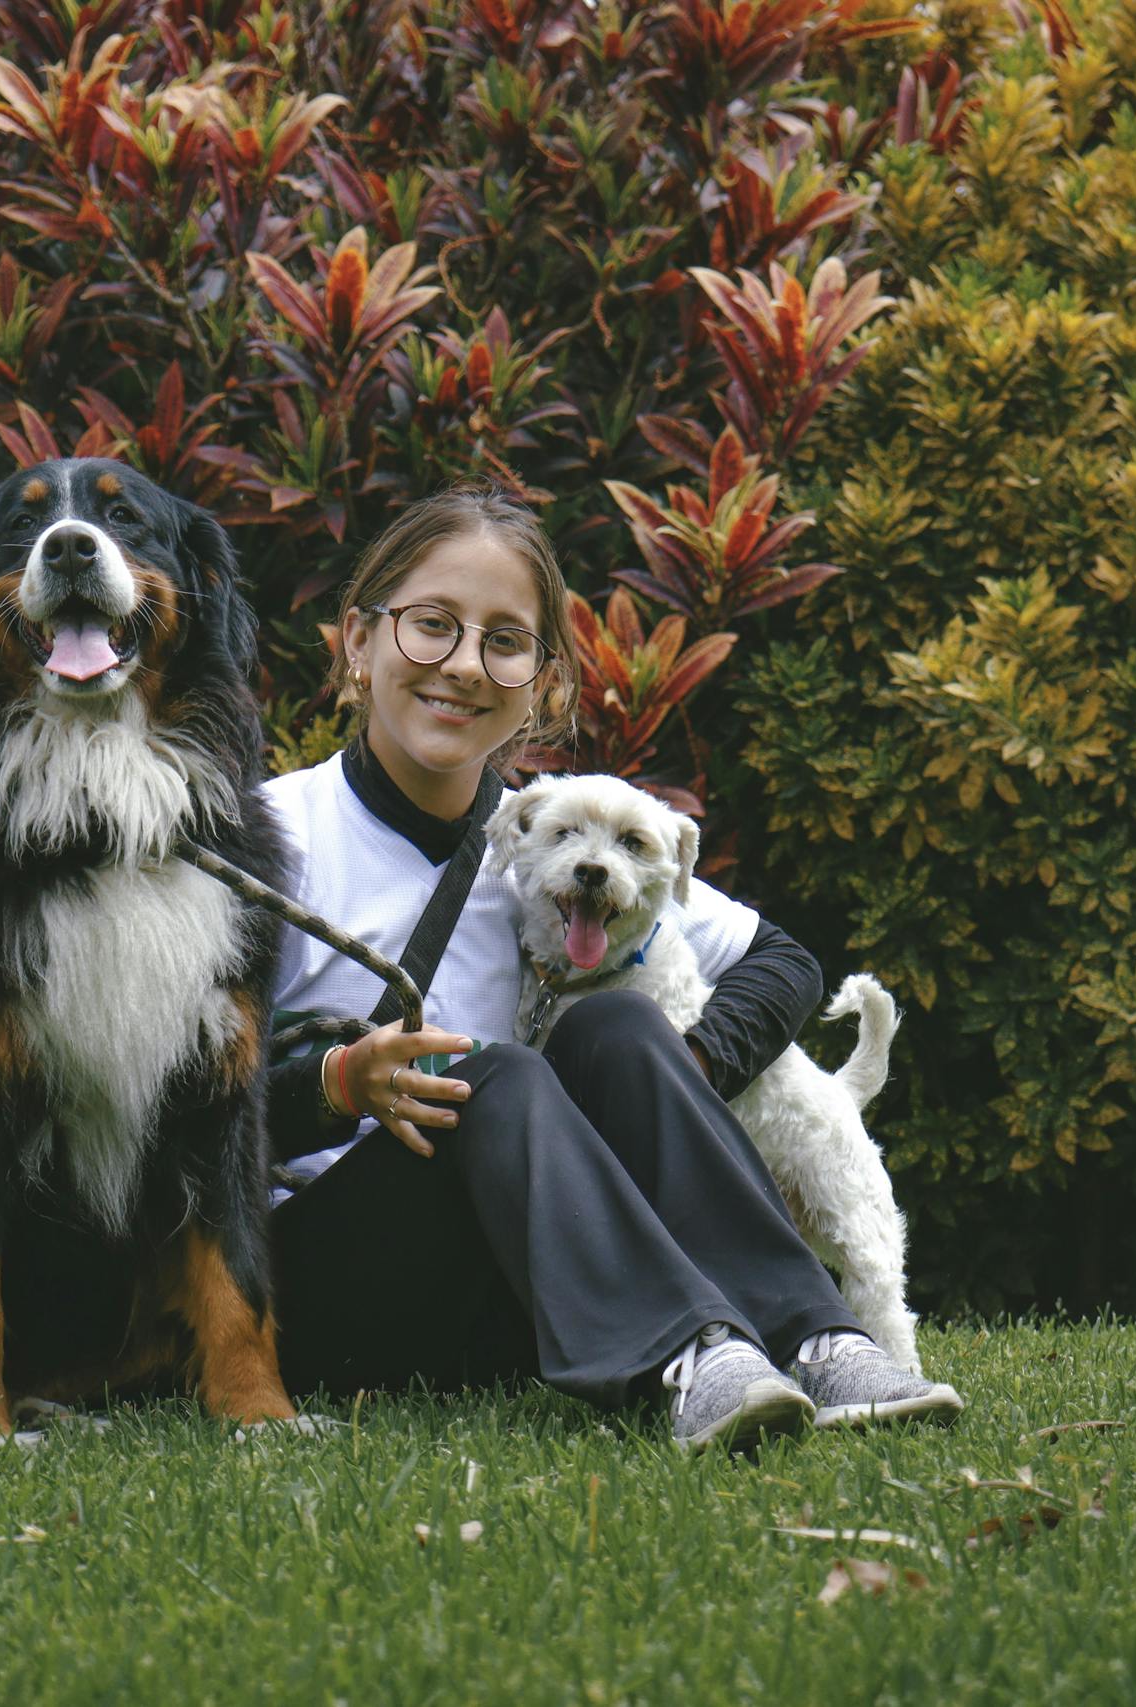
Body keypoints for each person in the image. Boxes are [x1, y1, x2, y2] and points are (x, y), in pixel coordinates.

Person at [259, 487, 963, 1452]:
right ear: (358, 642)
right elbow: (172, 1113)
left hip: (512, 1285)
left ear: (541, 682)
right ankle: (691, 1353)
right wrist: (336, 1086)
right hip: (319, 1289)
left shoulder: (551, 837)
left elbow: (784, 960)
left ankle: (817, 1340)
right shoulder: (269, 837)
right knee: (497, 1073)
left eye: (504, 641)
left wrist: (696, 1068)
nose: (464, 665)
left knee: (620, 1024)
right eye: (431, 626)